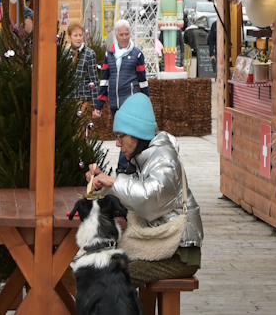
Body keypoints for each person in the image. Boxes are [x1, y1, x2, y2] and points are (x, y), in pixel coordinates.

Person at [86, 93, 202, 286]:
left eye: (121, 137)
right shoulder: (146, 157)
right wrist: (102, 182)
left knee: (111, 277)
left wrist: (113, 182)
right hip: (160, 245)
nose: (117, 143)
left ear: (137, 133)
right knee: (100, 266)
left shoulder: (165, 159)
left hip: (180, 253)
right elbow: (132, 193)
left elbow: (147, 200)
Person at [94, 19, 147, 120]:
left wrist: (147, 103)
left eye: (127, 34)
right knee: (118, 134)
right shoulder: (109, 54)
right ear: (116, 36)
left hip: (131, 103)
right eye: (121, 35)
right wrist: (99, 105)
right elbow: (104, 81)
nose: (124, 38)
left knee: (128, 134)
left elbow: (143, 81)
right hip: (115, 104)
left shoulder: (137, 54)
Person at [66, 23, 98, 109]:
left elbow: (94, 80)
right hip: (68, 99)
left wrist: (96, 106)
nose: (78, 38)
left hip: (84, 98)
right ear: (69, 37)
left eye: (80, 35)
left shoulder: (90, 54)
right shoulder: (65, 53)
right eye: (75, 35)